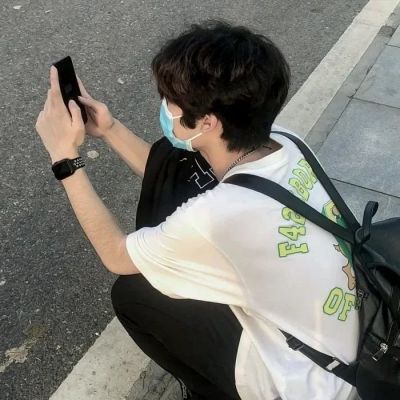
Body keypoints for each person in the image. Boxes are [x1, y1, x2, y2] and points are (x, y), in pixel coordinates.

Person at [35, 21, 360, 400]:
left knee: (133, 294)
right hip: (348, 335)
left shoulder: (217, 216)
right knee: (179, 168)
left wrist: (65, 159)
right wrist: (108, 129)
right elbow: (171, 175)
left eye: (170, 100)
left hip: (309, 383)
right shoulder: (284, 142)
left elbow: (117, 255)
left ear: (207, 122)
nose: (165, 106)